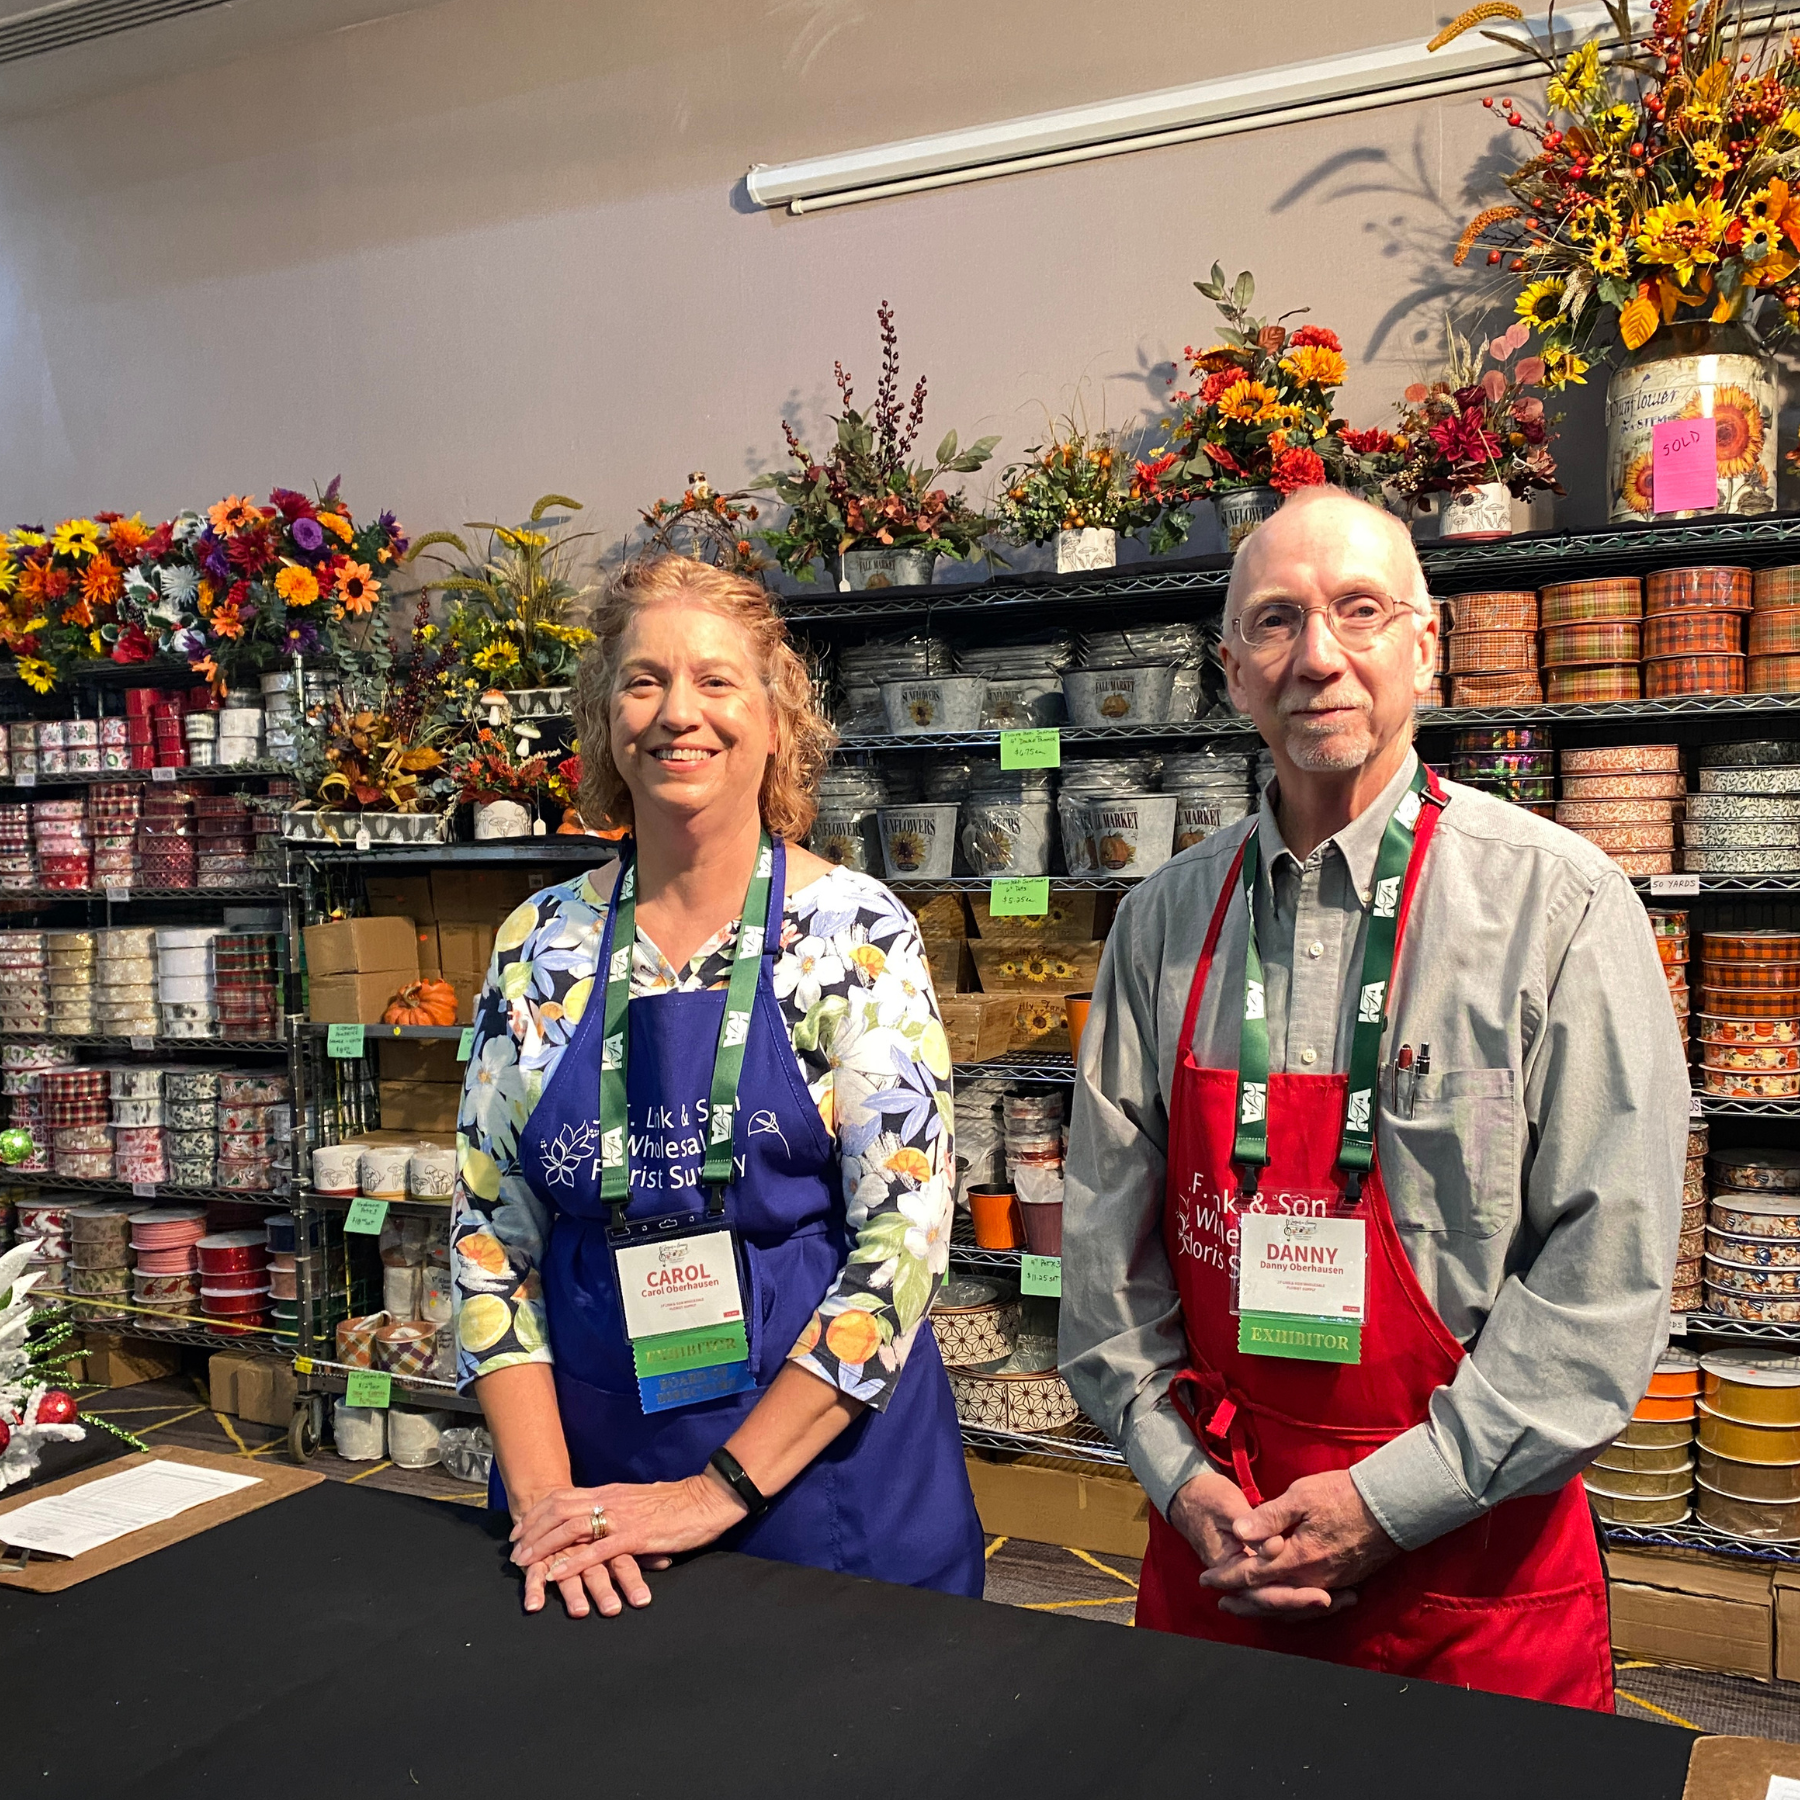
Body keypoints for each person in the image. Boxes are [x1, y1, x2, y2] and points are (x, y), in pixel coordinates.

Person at [1059, 486, 1685, 1709]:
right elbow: (1104, 1252)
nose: (1320, 657)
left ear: (1424, 643)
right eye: (1279, 623)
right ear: (1232, 669)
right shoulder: (1162, 923)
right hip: (1222, 1554)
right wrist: (1182, 1483)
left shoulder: (1559, 908)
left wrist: (1386, 1505)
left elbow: (1603, 1285)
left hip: (1472, 1578)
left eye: (1359, 611)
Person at [450, 554, 983, 1619]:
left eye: (716, 681)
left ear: (779, 717)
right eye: (643, 681)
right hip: (591, 1494)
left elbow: (903, 1249)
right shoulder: (539, 945)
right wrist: (551, 1500)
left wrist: (712, 1491)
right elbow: (485, 1241)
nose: (676, 712)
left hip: (824, 1487)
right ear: (606, 721)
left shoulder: (855, 936)